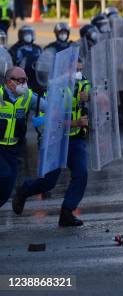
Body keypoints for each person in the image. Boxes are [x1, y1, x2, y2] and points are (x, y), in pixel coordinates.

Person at [12, 58, 90, 226]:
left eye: (80, 70)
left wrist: (92, 97)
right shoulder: (53, 88)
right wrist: (75, 122)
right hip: (56, 139)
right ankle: (24, 190)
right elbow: (51, 119)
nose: (77, 74)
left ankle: (67, 212)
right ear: (65, 70)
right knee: (49, 182)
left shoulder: (83, 83)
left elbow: (101, 96)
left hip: (76, 139)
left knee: (81, 173)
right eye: (74, 70)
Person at [0, 66, 47, 210]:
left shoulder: (27, 96)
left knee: (8, 188)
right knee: (5, 176)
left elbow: (48, 107)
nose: (24, 84)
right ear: (9, 82)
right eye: (20, 80)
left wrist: (42, 119)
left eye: (25, 80)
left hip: (13, 149)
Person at [9, 25, 43, 94]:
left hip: (37, 79)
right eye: (26, 34)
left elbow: (44, 61)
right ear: (21, 35)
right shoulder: (15, 49)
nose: (29, 36)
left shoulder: (38, 48)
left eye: (30, 34)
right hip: (21, 81)